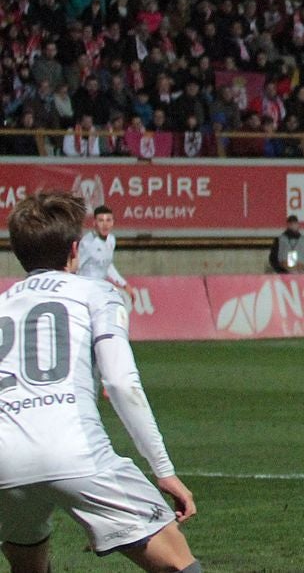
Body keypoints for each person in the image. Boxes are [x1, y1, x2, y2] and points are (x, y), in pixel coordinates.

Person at [0, 190, 200, 572]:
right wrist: (163, 470)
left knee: (27, 565)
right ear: (75, 250)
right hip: (77, 453)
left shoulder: (2, 303)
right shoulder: (97, 293)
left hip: (5, 459)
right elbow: (122, 383)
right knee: (178, 564)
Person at [77, 205, 134, 329]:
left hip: (99, 291)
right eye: (101, 220)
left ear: (113, 222)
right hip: (85, 292)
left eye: (108, 220)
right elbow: (76, 266)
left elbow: (107, 266)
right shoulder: (88, 243)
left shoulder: (111, 240)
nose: (105, 224)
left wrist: (124, 284)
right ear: (94, 223)